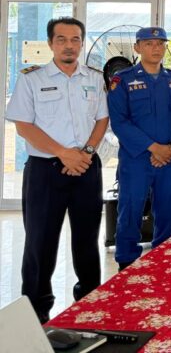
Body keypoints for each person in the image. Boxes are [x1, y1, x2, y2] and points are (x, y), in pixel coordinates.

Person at [5, 17, 108, 323]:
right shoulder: (31, 79)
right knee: (40, 243)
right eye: (61, 39)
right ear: (50, 43)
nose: (69, 45)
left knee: (87, 240)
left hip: (86, 167)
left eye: (75, 39)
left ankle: (88, 306)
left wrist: (85, 153)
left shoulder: (94, 78)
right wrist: (64, 154)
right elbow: (24, 126)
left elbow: (102, 119)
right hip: (46, 170)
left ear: (82, 43)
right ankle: (36, 314)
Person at [108, 27, 171, 270]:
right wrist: (153, 148)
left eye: (160, 43)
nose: (156, 48)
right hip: (137, 158)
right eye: (149, 43)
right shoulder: (123, 80)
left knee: (168, 209)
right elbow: (119, 121)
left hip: (169, 158)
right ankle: (126, 261)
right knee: (130, 209)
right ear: (137, 47)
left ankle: (163, 258)